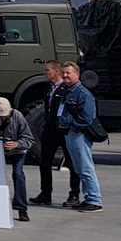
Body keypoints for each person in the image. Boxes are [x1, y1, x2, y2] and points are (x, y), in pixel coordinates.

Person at [0, 96, 36, 221]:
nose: (4, 118)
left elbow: (29, 139)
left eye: (5, 116)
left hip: (17, 151)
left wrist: (17, 144)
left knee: (18, 174)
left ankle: (22, 209)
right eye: (1, 116)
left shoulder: (18, 116)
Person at [55, 62, 103, 212]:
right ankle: (88, 198)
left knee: (85, 167)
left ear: (77, 74)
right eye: (63, 73)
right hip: (70, 134)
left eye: (68, 73)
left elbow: (88, 116)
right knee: (78, 168)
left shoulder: (82, 93)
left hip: (79, 135)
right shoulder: (67, 91)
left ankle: (95, 200)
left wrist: (75, 128)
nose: (65, 76)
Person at [30, 61, 76, 207]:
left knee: (71, 163)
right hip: (50, 130)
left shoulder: (65, 89)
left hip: (63, 131)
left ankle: (74, 194)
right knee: (44, 162)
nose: (45, 73)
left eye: (48, 70)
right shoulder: (50, 89)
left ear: (56, 72)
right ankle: (45, 193)